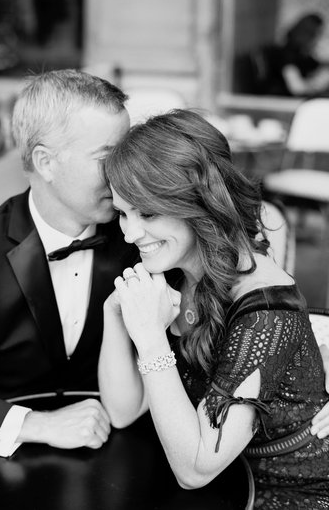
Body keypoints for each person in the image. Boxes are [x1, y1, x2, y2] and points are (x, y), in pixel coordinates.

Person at [98, 109, 329, 508]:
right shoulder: (173, 267)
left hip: (288, 491)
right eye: (123, 212)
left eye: (147, 213)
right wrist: (115, 314)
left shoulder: (266, 313)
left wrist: (152, 340)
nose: (131, 232)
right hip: (222, 486)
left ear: (198, 203)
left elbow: (195, 469)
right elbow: (124, 411)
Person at [0, 69, 136, 463]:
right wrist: (37, 425)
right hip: (3, 468)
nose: (127, 174)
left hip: (128, 453)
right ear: (45, 163)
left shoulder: (142, 239)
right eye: (109, 158)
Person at [255, 13, 329, 97]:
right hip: (280, 103)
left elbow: (317, 65)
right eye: (309, 33)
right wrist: (317, 85)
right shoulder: (285, 55)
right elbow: (297, 88)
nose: (314, 38)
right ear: (296, 30)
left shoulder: (301, 54)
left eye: (317, 34)